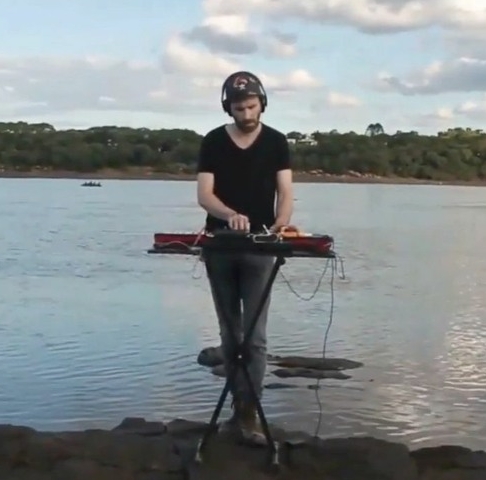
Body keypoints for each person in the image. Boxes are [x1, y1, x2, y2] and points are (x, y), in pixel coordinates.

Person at [196, 71, 294, 444]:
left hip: (261, 247)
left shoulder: (276, 141)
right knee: (230, 334)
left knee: (255, 337)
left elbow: (285, 192)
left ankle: (248, 415)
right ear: (229, 108)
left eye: (252, 106)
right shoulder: (213, 141)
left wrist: (281, 222)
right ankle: (237, 411)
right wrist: (229, 215)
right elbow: (205, 195)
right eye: (239, 108)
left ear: (262, 104)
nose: (247, 114)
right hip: (220, 247)